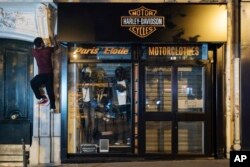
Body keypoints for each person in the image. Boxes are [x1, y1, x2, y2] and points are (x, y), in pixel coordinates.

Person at [30, 37, 57, 112]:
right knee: (50, 91)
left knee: (32, 83)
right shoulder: (47, 50)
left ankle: (40, 97)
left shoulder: (34, 52)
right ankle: (52, 107)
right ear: (42, 43)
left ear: (35, 45)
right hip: (49, 74)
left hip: (41, 75)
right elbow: (54, 48)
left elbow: (35, 48)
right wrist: (51, 43)